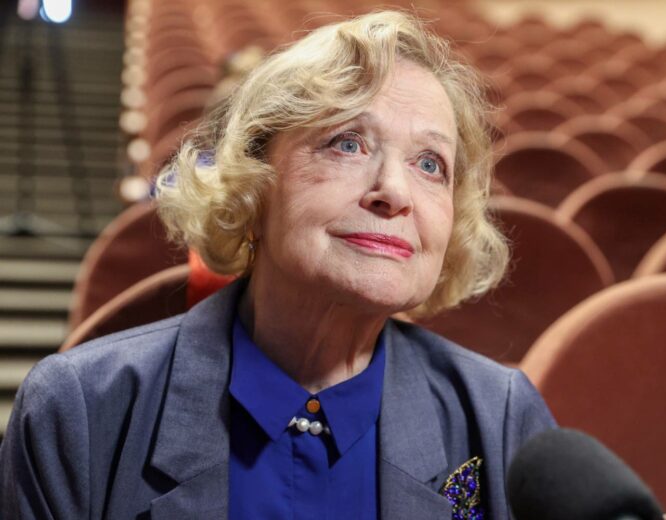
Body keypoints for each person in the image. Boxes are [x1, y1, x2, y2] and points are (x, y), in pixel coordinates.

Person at [0, 11, 555, 519]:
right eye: (347, 144)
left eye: (430, 164)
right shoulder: (79, 412)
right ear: (252, 184)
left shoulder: (502, 418)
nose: (394, 191)